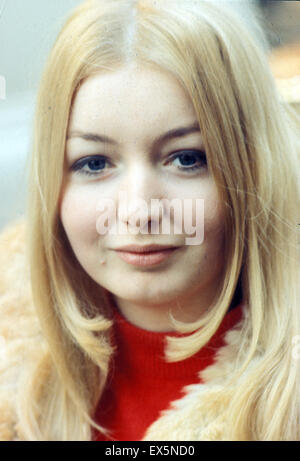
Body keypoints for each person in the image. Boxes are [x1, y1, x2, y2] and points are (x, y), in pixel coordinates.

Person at [0, 0, 299, 441]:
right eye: (95, 163)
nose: (139, 211)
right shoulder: (12, 371)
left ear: (253, 169)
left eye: (187, 158)